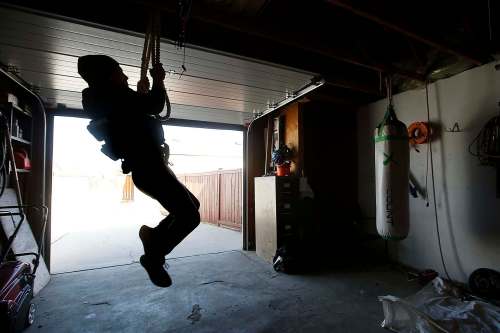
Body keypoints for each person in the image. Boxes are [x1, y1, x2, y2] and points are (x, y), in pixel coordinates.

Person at [77, 55, 200, 287]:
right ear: (108, 77)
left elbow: (139, 111)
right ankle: (153, 256)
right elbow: (155, 104)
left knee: (192, 206)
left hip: (149, 169)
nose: (125, 75)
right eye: (119, 72)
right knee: (190, 215)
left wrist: (142, 93)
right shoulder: (114, 96)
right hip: (149, 168)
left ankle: (153, 237)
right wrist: (158, 80)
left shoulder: (108, 99)